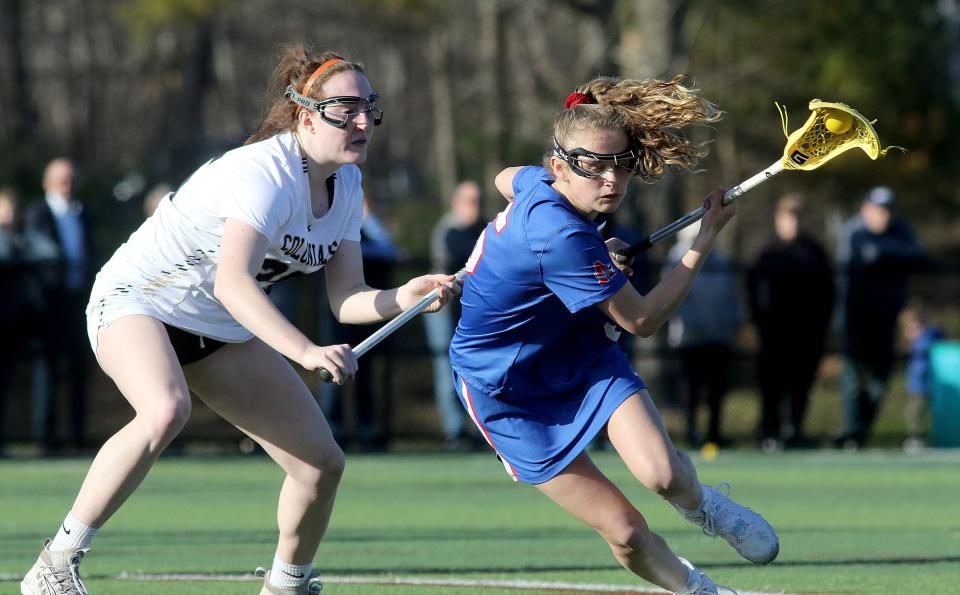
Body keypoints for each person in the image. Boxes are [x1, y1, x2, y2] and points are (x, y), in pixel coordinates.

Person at [20, 45, 458, 595]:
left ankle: (285, 585)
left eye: (370, 107)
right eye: (346, 109)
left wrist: (404, 296)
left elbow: (346, 299)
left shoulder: (346, 186)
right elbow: (233, 283)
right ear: (305, 116)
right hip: (141, 301)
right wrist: (304, 352)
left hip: (218, 328)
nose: (364, 121)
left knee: (320, 464)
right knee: (165, 409)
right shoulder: (264, 172)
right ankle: (55, 564)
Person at [449, 77, 778, 595]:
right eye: (592, 166)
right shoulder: (563, 238)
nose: (610, 179)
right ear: (560, 166)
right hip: (506, 395)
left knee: (664, 475)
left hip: (579, 355)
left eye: (620, 164)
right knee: (625, 532)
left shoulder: (541, 183)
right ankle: (698, 590)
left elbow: (504, 176)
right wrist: (704, 240)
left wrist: (597, 258)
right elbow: (643, 320)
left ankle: (708, 507)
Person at [835, 186, 925, 449]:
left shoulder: (901, 231)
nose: (882, 216)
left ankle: (861, 430)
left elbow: (918, 254)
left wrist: (884, 253)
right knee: (852, 375)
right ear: (865, 209)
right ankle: (852, 432)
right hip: (854, 316)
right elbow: (855, 259)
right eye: (877, 210)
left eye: (887, 211)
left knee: (880, 378)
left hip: (886, 317)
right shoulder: (853, 231)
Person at [746, 194, 834, 450]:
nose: (793, 223)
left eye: (798, 217)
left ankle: (795, 429)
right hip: (774, 333)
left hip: (807, 333)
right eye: (788, 217)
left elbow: (828, 294)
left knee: (801, 384)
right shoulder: (768, 253)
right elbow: (752, 291)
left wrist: (822, 326)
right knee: (771, 384)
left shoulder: (815, 252)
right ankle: (769, 431)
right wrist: (758, 322)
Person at [25, 158, 96, 454]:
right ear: (47, 182)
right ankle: (46, 438)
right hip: (50, 306)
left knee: (80, 371)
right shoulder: (38, 214)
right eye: (61, 178)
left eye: (70, 178)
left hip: (79, 301)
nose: (67, 184)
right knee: (49, 371)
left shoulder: (84, 214)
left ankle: (78, 436)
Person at [320, 193, 402, 450]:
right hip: (335, 318)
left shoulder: (367, 227)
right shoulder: (330, 225)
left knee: (363, 373)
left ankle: (366, 429)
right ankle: (331, 430)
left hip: (365, 317)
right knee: (331, 371)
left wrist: (368, 218)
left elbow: (390, 250)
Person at [665, 222, 742, 449]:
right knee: (691, 387)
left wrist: (733, 322)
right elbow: (672, 297)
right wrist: (693, 323)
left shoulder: (720, 260)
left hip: (718, 335)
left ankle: (714, 432)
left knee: (717, 388)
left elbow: (731, 295)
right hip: (689, 337)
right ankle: (690, 432)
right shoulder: (676, 259)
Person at [425, 180, 486, 450]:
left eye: (479, 201)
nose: (477, 207)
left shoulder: (483, 228)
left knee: (477, 371)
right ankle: (455, 432)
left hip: (472, 309)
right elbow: (467, 255)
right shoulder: (449, 229)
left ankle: (478, 431)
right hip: (442, 307)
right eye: (471, 201)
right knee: (446, 369)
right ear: (456, 204)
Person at [898, 299, 946, 451]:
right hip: (917, 387)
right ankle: (916, 437)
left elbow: (938, 342)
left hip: (930, 385)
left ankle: (931, 438)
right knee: (914, 413)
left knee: (930, 413)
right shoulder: (914, 346)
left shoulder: (928, 337)